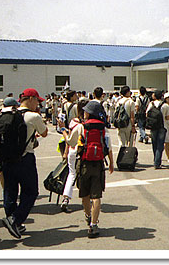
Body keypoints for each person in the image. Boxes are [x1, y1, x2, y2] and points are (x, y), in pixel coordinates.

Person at [1, 89, 48, 239]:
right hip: (25, 158)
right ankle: (15, 219)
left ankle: (13, 220)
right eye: (37, 101)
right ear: (31, 99)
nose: (38, 104)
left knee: (10, 191)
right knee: (31, 192)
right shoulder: (33, 116)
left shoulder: (6, 113)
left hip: (7, 158)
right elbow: (45, 132)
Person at [77, 100, 115, 238]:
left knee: (85, 195)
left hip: (85, 163)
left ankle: (88, 216)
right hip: (99, 164)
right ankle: (94, 225)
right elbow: (109, 148)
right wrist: (111, 163)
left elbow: (74, 143)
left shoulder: (82, 127)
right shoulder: (104, 129)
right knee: (97, 196)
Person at [58, 98, 89, 212]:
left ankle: (66, 199)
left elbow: (69, 140)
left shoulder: (74, 122)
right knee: (84, 175)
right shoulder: (88, 123)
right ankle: (87, 198)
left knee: (72, 174)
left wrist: (65, 152)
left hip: (72, 150)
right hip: (84, 152)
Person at [146, 90, 166, 169]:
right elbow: (167, 117)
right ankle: (157, 162)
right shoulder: (164, 105)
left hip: (153, 126)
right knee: (160, 144)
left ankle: (155, 160)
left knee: (154, 143)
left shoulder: (151, 104)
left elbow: (147, 113)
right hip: (162, 126)